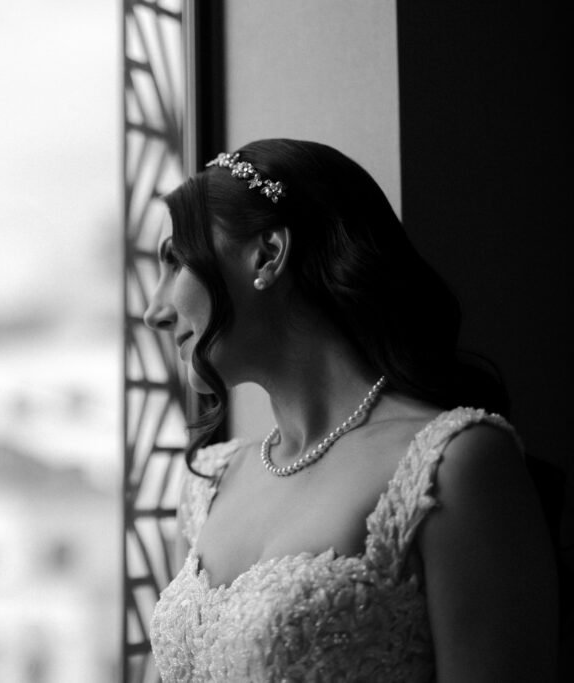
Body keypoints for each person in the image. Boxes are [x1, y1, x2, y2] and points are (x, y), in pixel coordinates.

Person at [144, 139, 558, 681]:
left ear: (268, 254)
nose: (155, 310)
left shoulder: (451, 463)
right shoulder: (208, 485)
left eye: (175, 262)